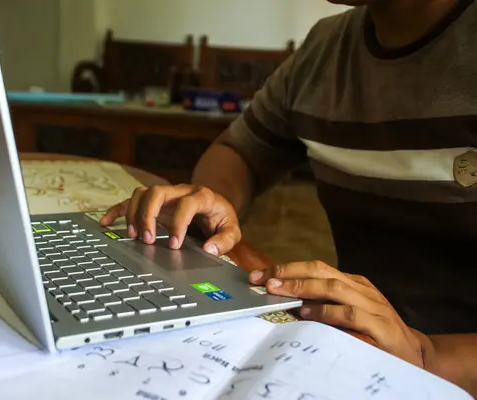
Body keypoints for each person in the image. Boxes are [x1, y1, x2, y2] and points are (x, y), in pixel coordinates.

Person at [101, 0, 477, 395]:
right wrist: (214, 201)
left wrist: (427, 354)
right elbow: (241, 150)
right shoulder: (327, 47)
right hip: (348, 350)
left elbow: (423, 359)